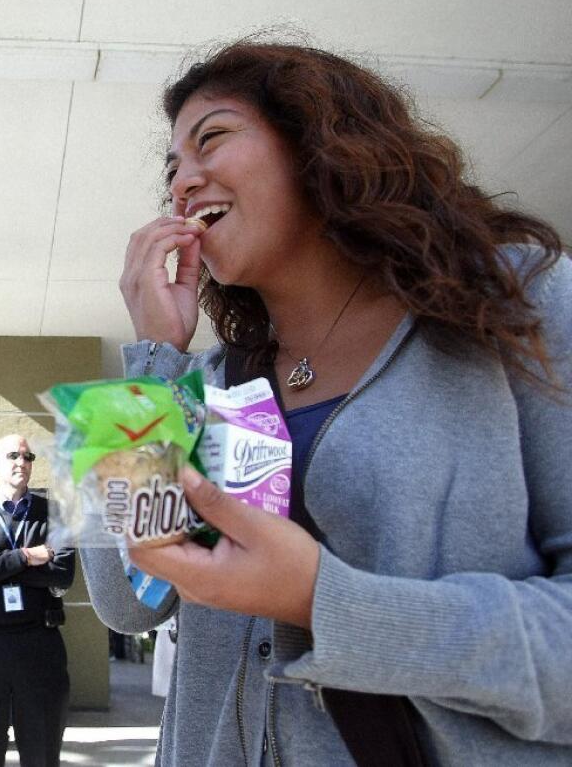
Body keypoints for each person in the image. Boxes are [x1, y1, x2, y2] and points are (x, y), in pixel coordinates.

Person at [82, 40, 572, 766]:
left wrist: (326, 602)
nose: (183, 183)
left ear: (317, 139)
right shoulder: (208, 383)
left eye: (210, 138)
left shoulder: (519, 297)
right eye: (171, 170)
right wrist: (152, 367)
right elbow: (127, 602)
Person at [0, 434, 76, 767]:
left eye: (28, 456)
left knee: (42, 754)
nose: (22, 462)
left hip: (39, 644)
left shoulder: (55, 514)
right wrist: (26, 556)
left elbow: (62, 572)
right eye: (12, 456)